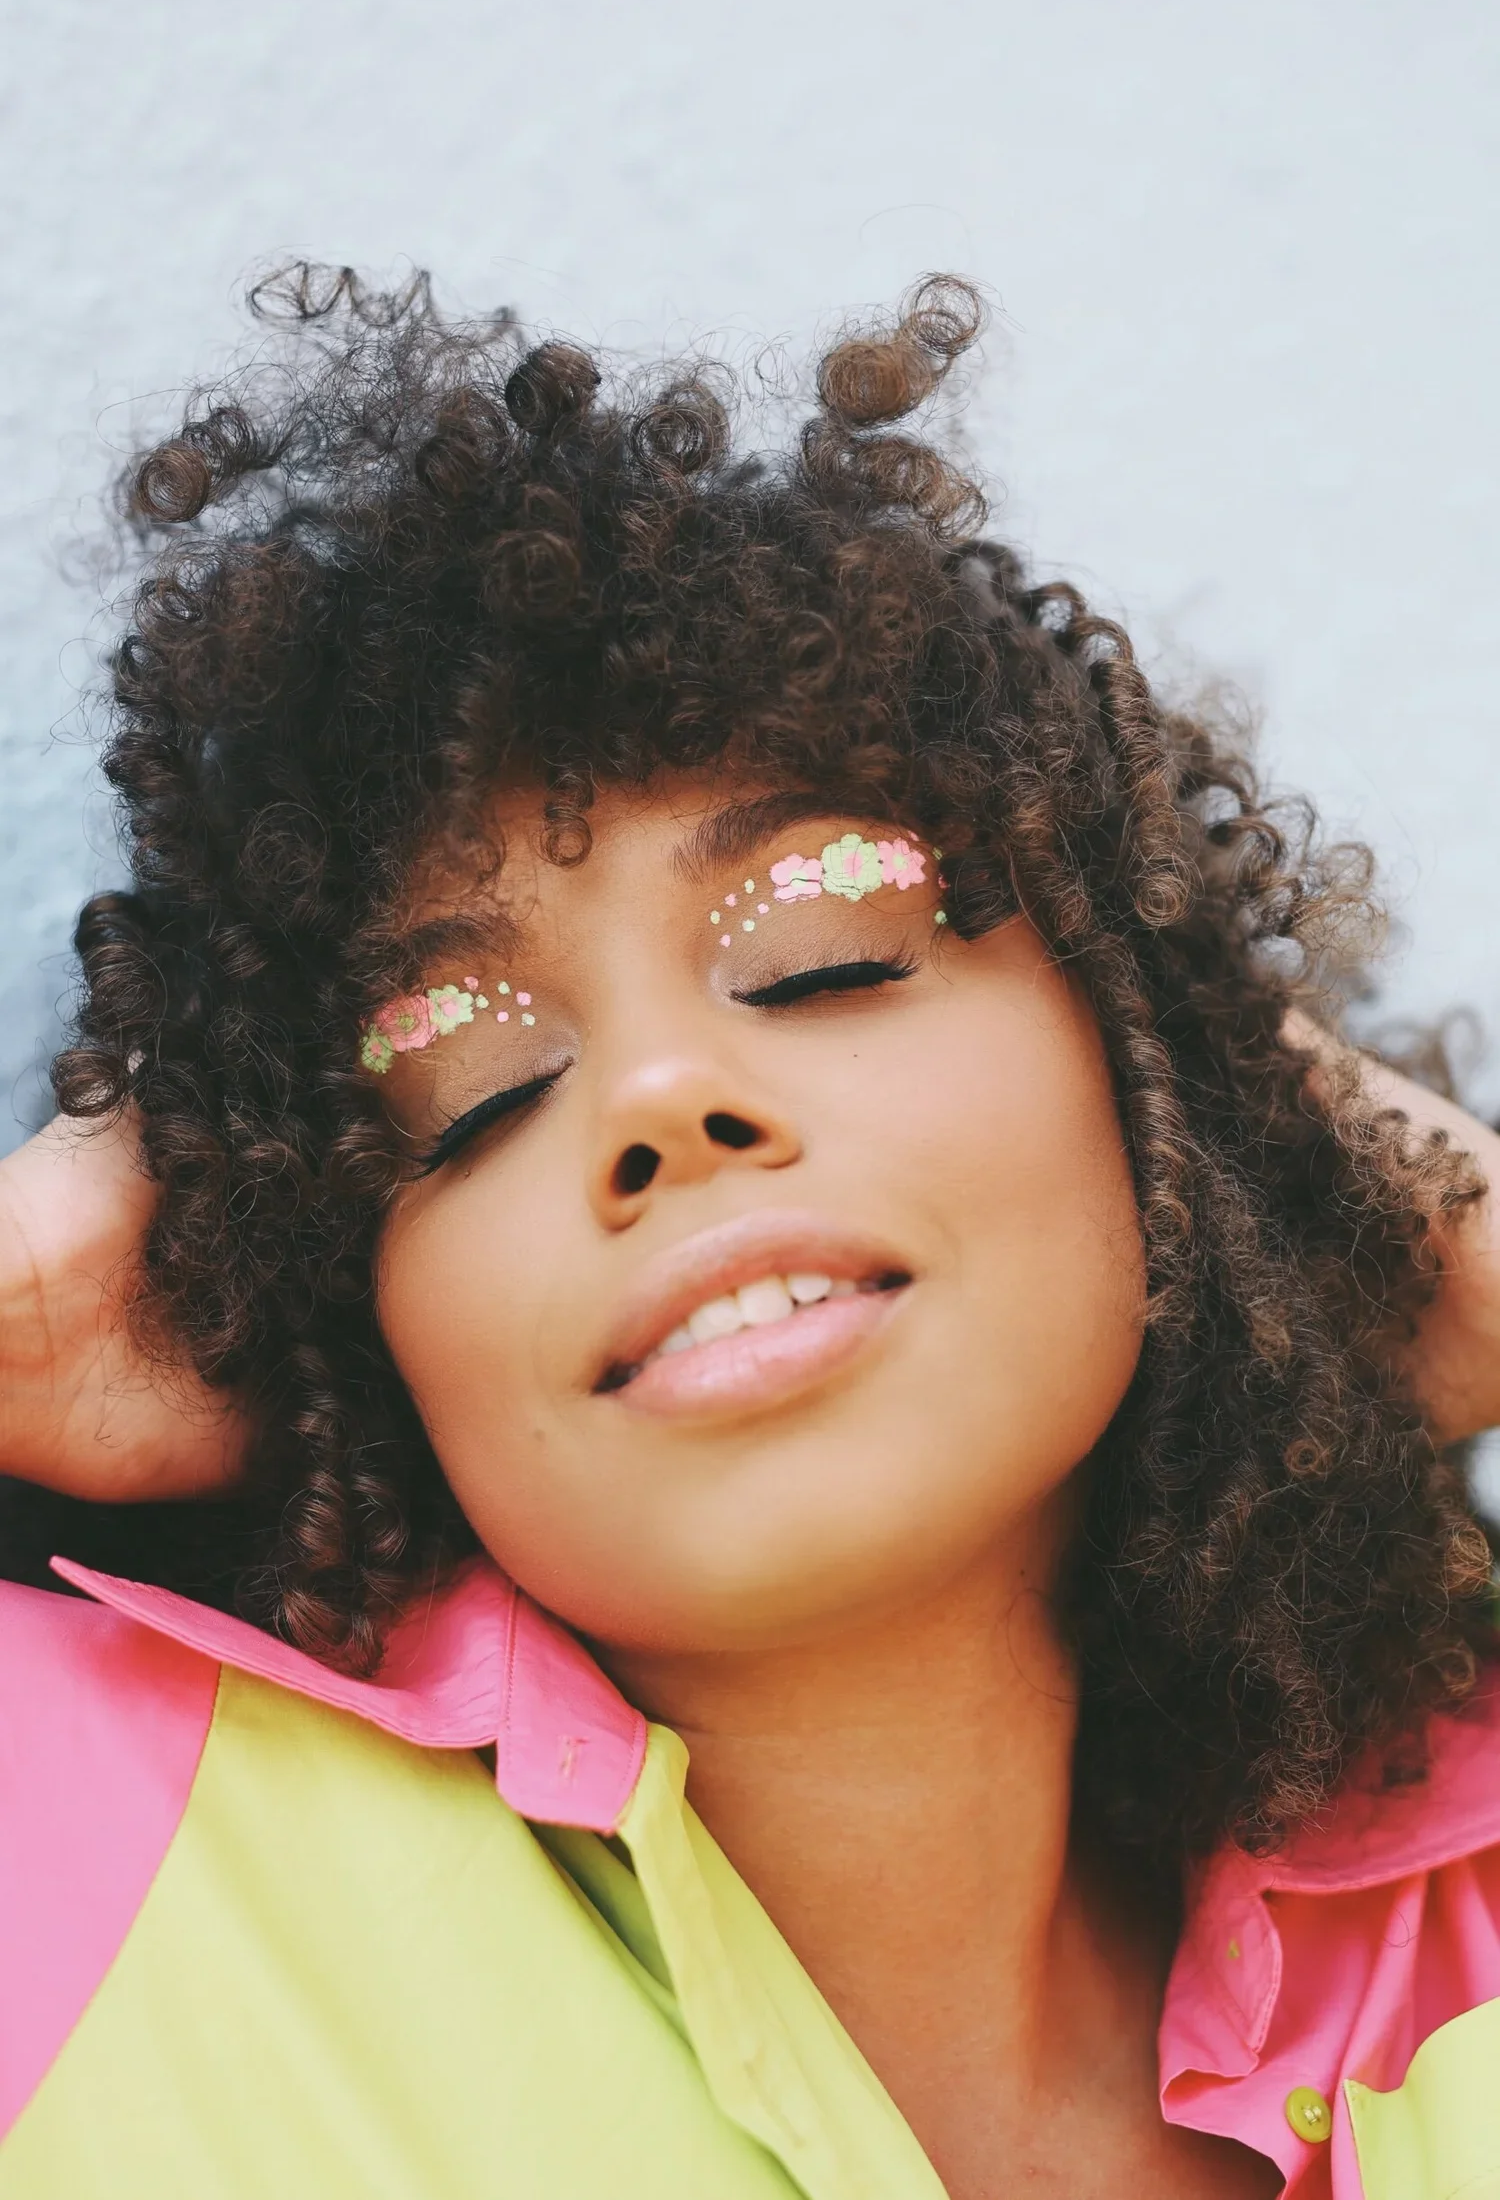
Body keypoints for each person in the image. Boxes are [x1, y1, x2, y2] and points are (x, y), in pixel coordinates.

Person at [0, 268, 1497, 2200]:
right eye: (463, 1086)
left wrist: (1405, 1223)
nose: (656, 1105)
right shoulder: (80, 1843)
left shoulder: (1456, 1889)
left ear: (1154, 1087)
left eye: (820, 953)